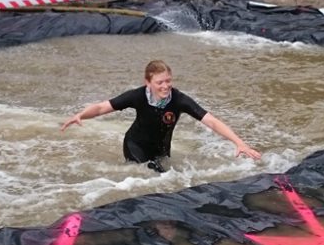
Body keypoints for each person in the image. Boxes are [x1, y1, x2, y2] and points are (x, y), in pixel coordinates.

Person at [60, 60, 261, 172]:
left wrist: (239, 143)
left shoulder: (179, 100)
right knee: (152, 177)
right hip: (135, 146)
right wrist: (81, 115)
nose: (165, 86)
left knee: (166, 177)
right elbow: (103, 107)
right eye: (159, 83)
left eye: (168, 81)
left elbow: (211, 121)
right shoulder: (137, 96)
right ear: (148, 83)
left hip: (161, 148)